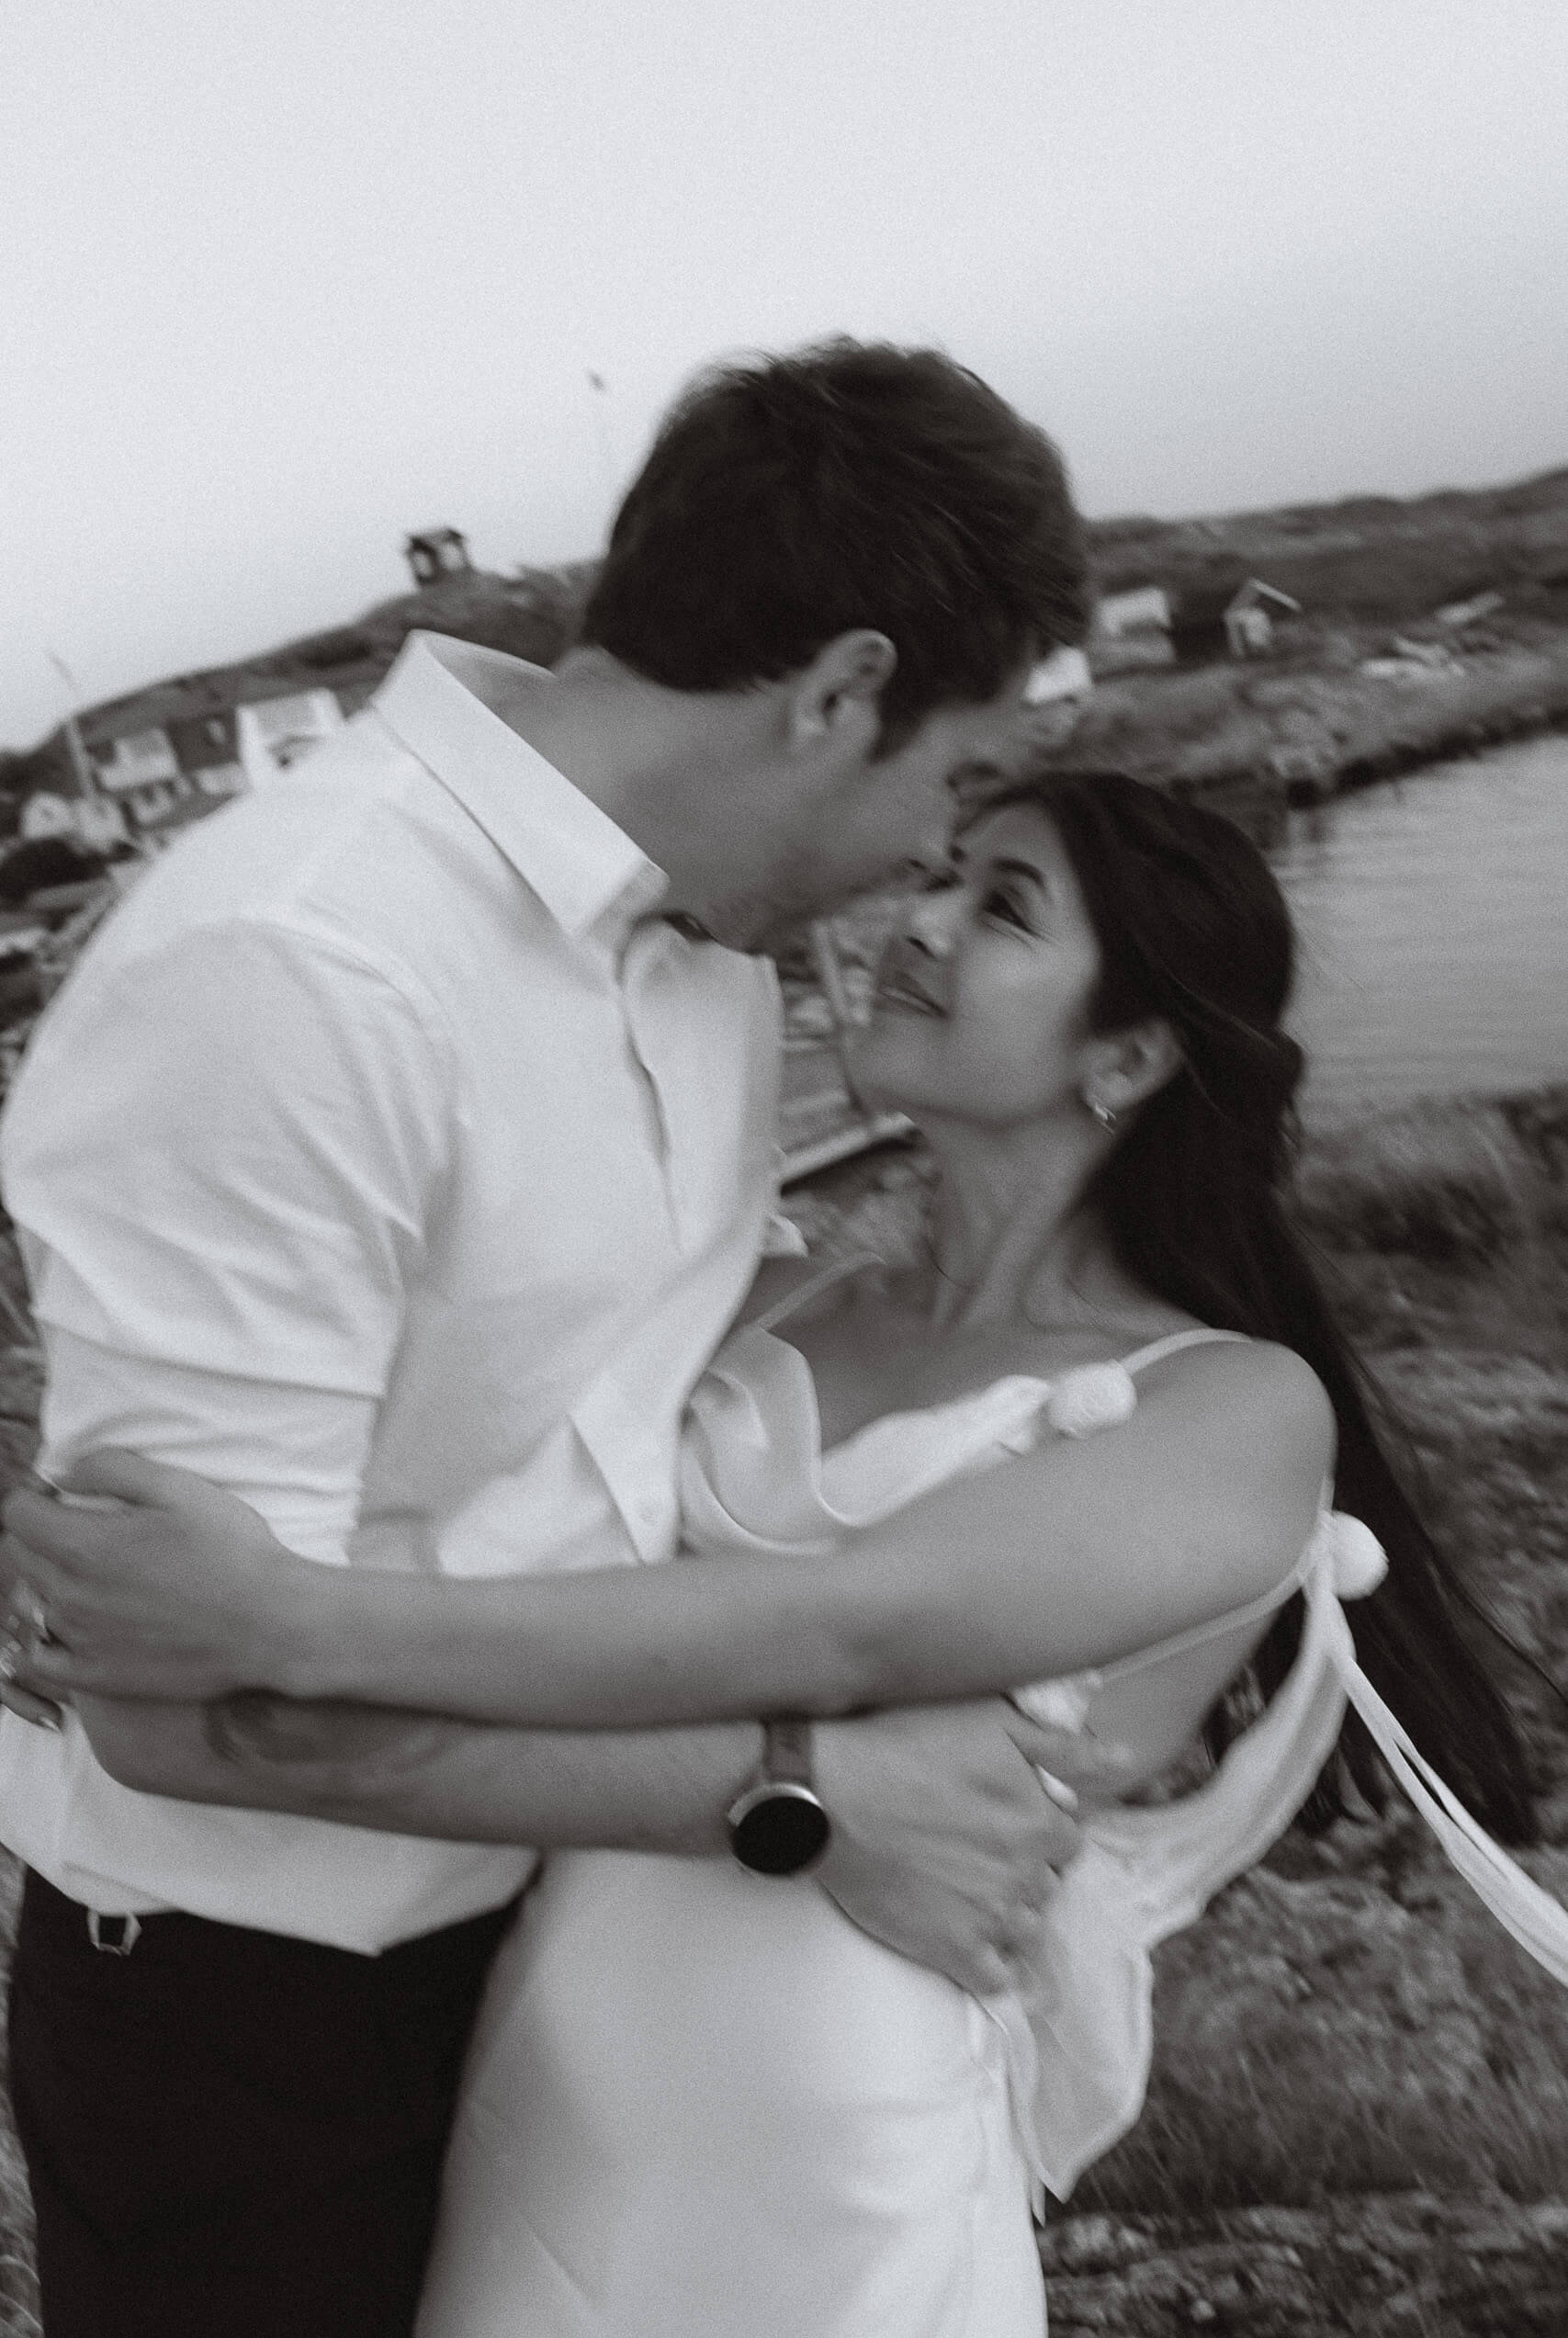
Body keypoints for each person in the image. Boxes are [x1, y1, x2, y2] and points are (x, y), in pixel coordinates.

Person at [11, 774, 1565, 2338]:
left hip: (830, 2107)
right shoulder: (767, 1302)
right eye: (941, 875)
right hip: (549, 2049)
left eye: (1004, 906)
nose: (923, 921)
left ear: (1130, 1055)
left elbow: (841, 1626)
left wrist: (286, 1626)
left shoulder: (1231, 1406)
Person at [0, 339, 1095, 2338]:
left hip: (584, 1926)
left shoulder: (717, 954)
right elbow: (171, 1702)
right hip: (267, 1996)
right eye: (951, 782)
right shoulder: (292, 966)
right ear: (837, 692)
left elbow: (605, 1410)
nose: (930, 863)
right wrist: (799, 1796)